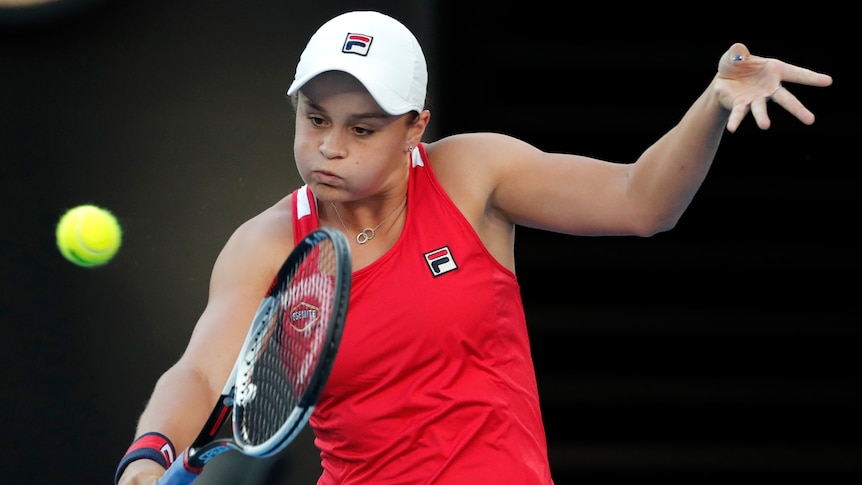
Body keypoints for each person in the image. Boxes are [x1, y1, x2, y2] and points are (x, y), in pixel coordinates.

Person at [114, 10, 833, 485]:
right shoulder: (267, 243)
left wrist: (713, 103)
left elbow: (643, 203)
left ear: (414, 128)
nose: (329, 147)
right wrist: (147, 457)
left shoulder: (474, 175)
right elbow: (202, 373)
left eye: (363, 129)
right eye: (315, 119)